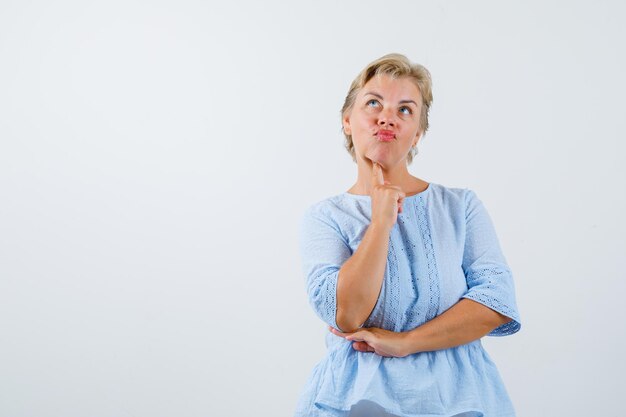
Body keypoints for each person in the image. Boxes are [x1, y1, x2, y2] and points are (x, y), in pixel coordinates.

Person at [294, 53, 522, 417]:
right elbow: (346, 315)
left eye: (405, 110)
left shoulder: (461, 206)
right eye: (373, 103)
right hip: (356, 399)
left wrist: (406, 343)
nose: (387, 117)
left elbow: (497, 303)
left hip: (462, 397)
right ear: (347, 121)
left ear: (417, 133)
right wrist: (381, 221)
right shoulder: (325, 218)